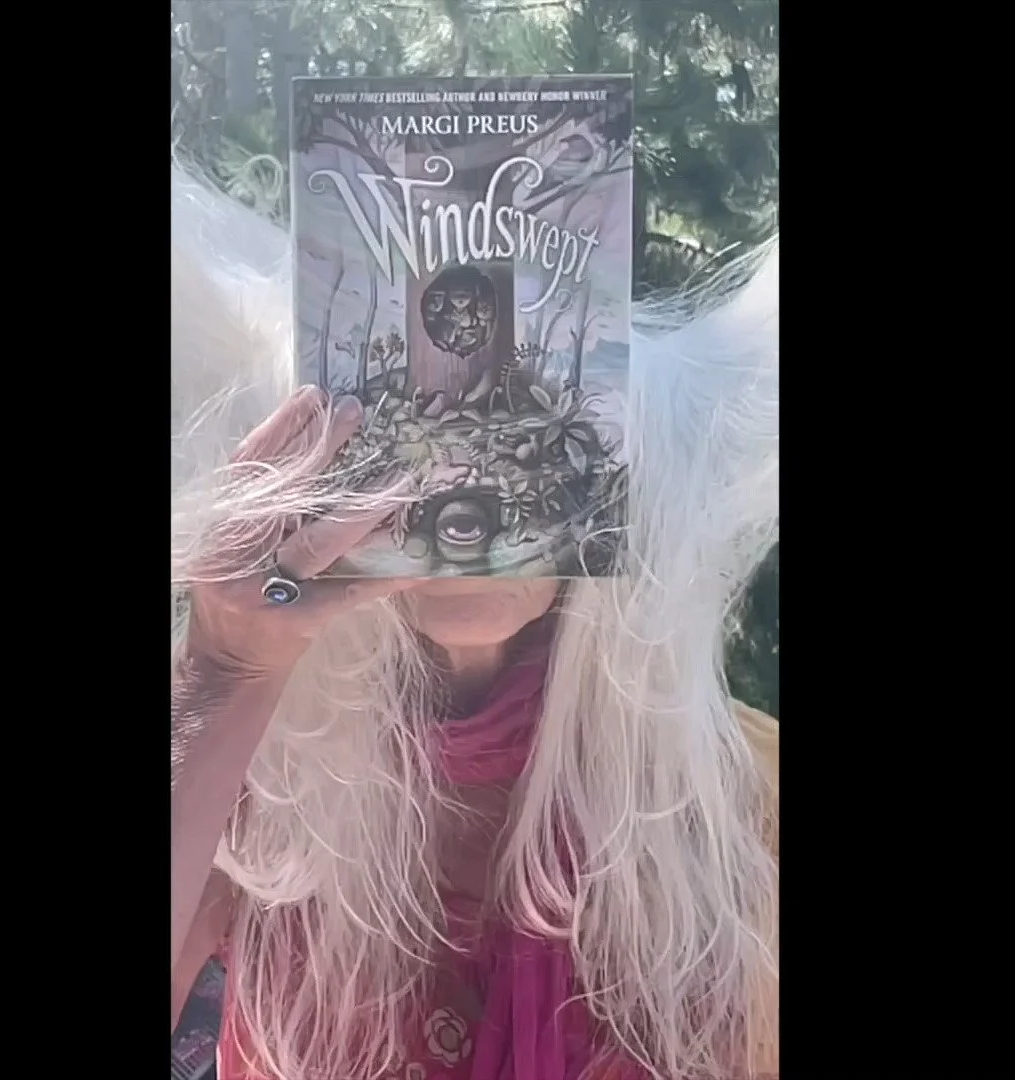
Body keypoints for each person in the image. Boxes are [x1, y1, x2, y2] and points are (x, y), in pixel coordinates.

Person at [170, 163, 779, 1080]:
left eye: (527, 419)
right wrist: (226, 672)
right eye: (405, 418)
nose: (466, 474)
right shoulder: (264, 773)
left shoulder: (734, 798)